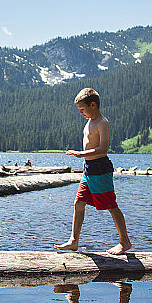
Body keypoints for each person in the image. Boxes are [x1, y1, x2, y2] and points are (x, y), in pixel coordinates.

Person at [55, 88, 132, 255]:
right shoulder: (89, 121)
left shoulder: (103, 123)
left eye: (82, 109)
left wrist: (81, 154)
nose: (80, 112)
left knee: (111, 205)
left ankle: (124, 241)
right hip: (88, 169)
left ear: (93, 105)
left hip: (100, 169)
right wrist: (83, 157)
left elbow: (103, 149)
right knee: (79, 203)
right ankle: (74, 241)